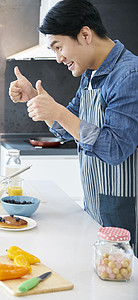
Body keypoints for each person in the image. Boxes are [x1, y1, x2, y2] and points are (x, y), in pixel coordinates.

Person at [8, 0, 138, 254]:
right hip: (95, 203)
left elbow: (116, 148)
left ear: (85, 35)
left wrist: (56, 110)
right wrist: (36, 100)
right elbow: (66, 127)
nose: (58, 58)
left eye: (59, 47)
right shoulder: (91, 73)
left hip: (123, 212)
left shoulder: (129, 75)